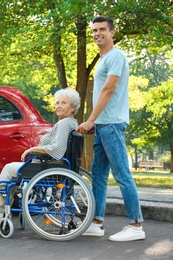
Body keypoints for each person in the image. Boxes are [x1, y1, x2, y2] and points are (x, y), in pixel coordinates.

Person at [76, 16, 145, 242]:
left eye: (102, 29)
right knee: (99, 176)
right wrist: (96, 122)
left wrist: (90, 120)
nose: (97, 34)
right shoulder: (104, 58)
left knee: (122, 175)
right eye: (94, 30)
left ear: (112, 32)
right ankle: (96, 222)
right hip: (104, 125)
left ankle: (135, 225)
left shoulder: (115, 56)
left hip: (112, 125)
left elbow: (109, 89)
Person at [0, 88, 80, 222]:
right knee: (14, 171)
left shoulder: (64, 123)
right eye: (57, 102)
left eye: (63, 103)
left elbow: (57, 149)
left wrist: (33, 150)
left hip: (48, 167)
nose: (58, 106)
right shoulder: (72, 123)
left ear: (72, 108)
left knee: (9, 169)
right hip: (55, 166)